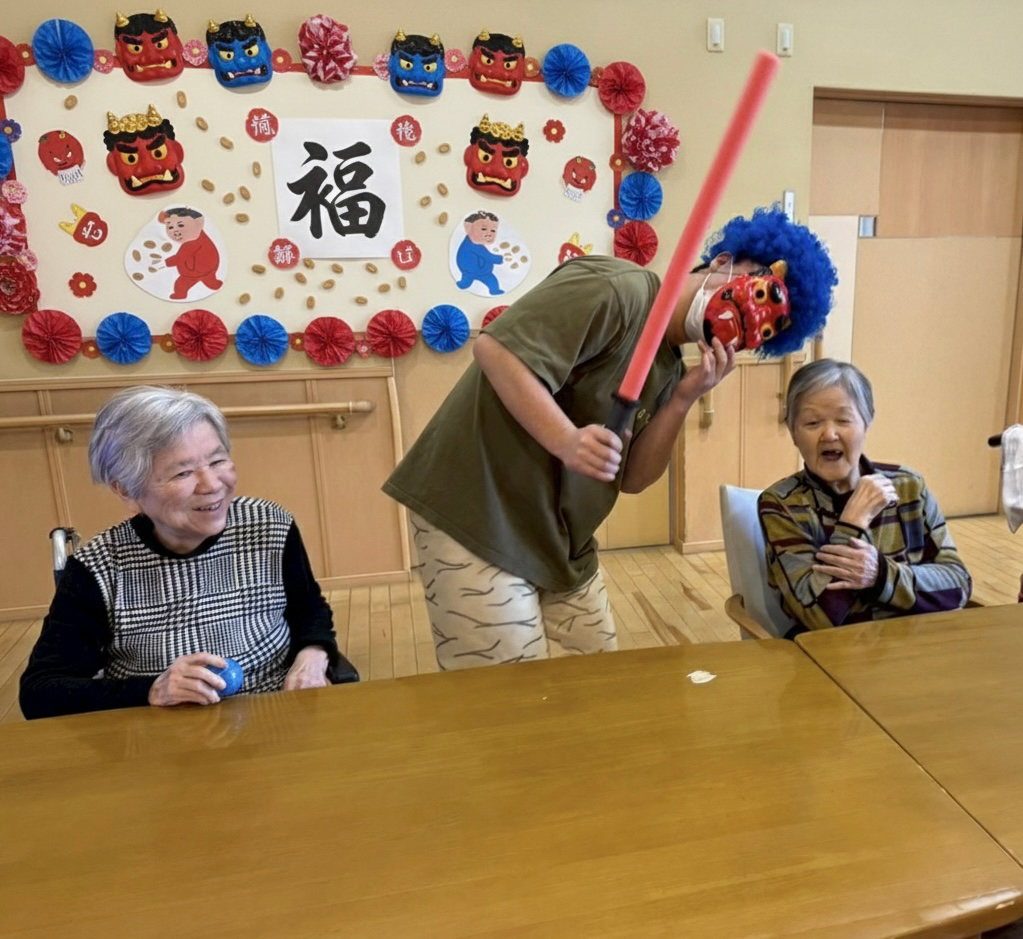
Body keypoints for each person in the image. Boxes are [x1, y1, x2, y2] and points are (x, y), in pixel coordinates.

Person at [383, 206, 838, 669]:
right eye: (758, 290)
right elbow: (494, 349)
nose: (748, 321)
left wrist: (683, 398)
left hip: (559, 541)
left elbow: (634, 478)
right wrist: (565, 438)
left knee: (600, 685)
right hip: (477, 515)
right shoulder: (618, 288)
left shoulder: (670, 367)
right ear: (722, 262)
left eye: (765, 328)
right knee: (506, 706)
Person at [20, 386, 352, 720]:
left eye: (218, 460)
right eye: (183, 472)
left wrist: (313, 655)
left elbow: (308, 609)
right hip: (162, 741)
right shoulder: (99, 567)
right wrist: (153, 689)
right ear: (125, 487)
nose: (211, 484)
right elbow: (41, 691)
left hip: (276, 719)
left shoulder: (270, 526)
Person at [759, 359, 971, 637]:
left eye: (844, 419)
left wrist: (880, 575)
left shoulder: (909, 486)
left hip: (915, 648)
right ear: (793, 433)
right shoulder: (782, 505)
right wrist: (852, 523)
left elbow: (957, 585)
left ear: (867, 422)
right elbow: (818, 617)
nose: (829, 434)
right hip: (831, 659)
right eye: (812, 422)